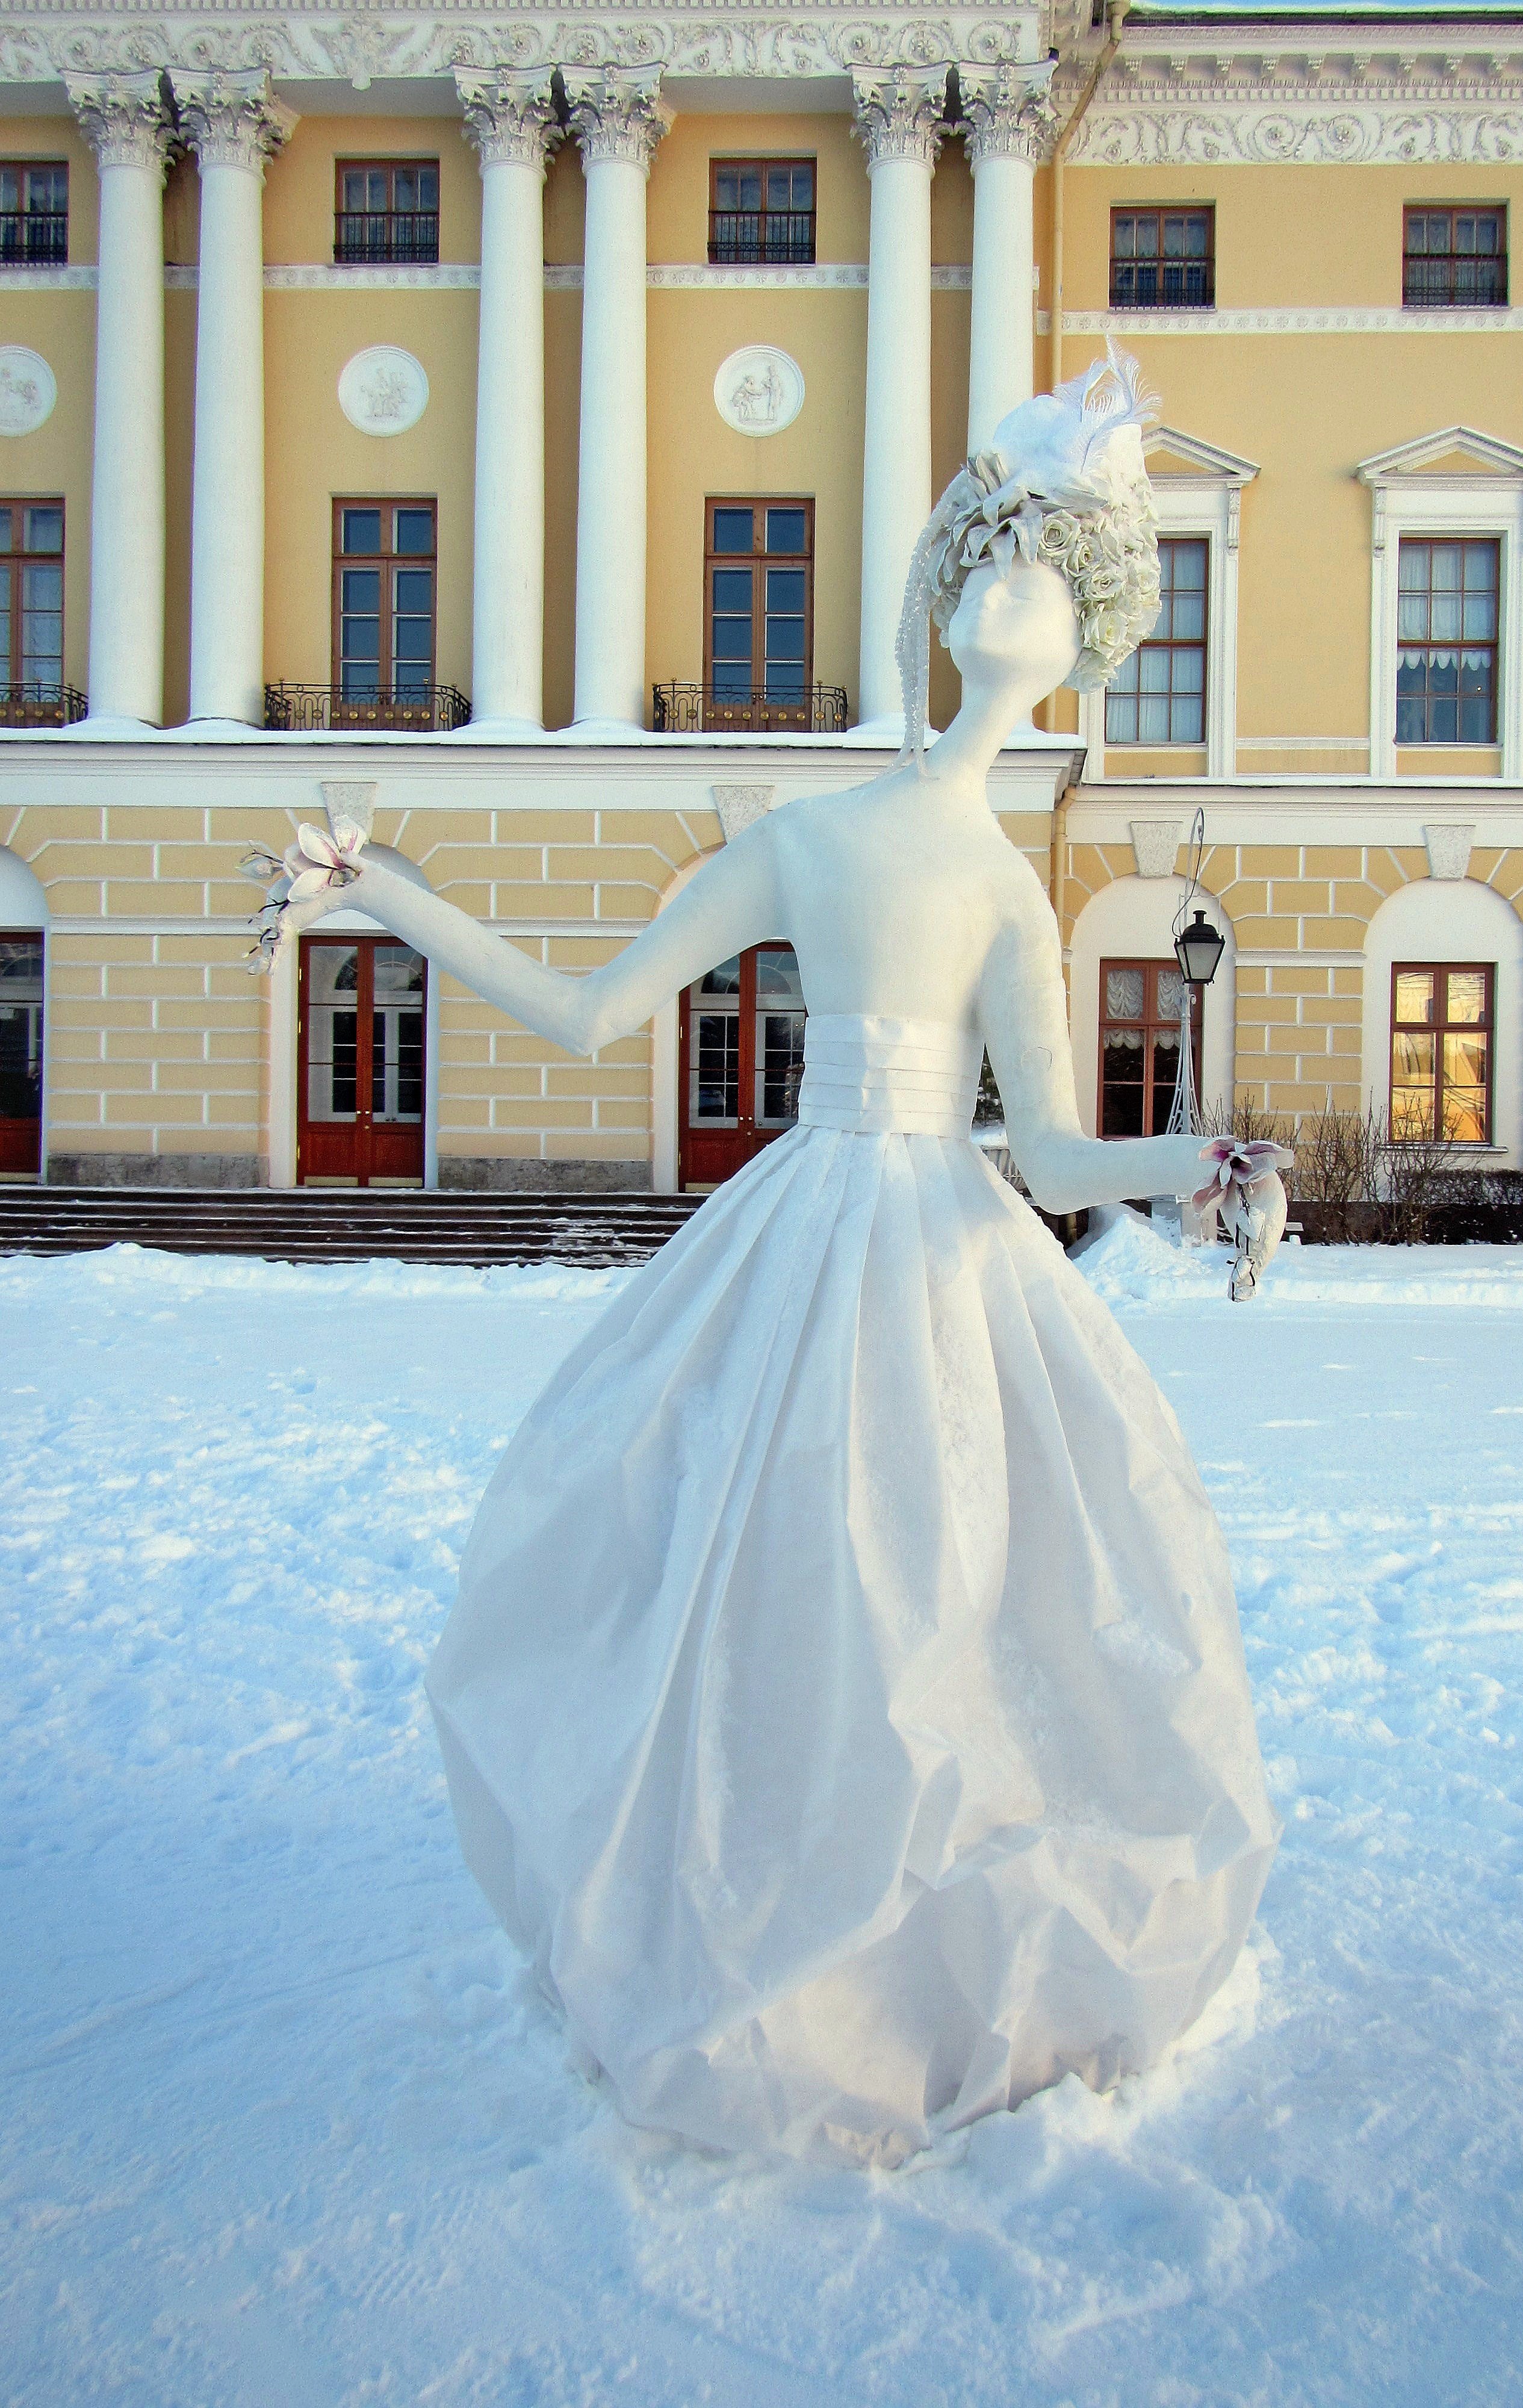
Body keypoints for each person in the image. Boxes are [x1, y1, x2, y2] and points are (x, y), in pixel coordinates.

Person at [252, 345, 1279, 2166]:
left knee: (954, 1584)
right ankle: (744, 1906)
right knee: (760, 1572)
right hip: (805, 1227)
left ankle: (917, 1941)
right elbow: (589, 1017)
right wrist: (385, 890)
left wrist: (1190, 1167)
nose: (1006, 596)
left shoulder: (1013, 887)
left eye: (1043, 578)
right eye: (985, 564)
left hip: (942, 1258)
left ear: (1083, 640)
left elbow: (1042, 1149)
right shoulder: (809, 839)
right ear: (946, 597)